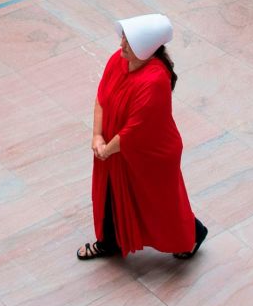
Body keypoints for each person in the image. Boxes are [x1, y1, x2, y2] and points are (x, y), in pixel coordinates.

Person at [77, 14, 208, 261]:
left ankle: (194, 233)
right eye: (123, 39)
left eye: (127, 42)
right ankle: (108, 242)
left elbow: (135, 131)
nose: (121, 45)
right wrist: (96, 136)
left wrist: (106, 149)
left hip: (149, 154)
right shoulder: (117, 60)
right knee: (110, 196)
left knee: (159, 203)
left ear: (144, 47)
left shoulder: (155, 79)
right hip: (117, 149)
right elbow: (101, 97)